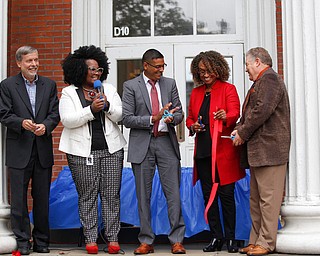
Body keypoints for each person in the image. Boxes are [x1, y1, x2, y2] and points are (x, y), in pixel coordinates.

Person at [59, 45, 126, 254]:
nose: (96, 73)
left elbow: (121, 116)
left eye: (98, 69)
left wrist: (107, 107)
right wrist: (90, 110)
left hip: (112, 150)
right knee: (87, 195)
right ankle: (90, 239)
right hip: (82, 153)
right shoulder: (69, 93)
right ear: (79, 69)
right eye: (91, 69)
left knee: (111, 195)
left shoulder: (109, 89)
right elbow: (67, 120)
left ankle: (113, 239)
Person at [122, 49, 186, 255]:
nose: (161, 70)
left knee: (173, 194)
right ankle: (146, 240)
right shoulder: (130, 86)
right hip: (143, 145)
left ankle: (176, 240)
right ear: (146, 66)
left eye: (163, 66)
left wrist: (171, 118)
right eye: (157, 66)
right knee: (143, 196)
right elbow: (127, 118)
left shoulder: (170, 83)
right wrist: (154, 118)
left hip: (166, 143)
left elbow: (179, 112)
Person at [0, 46, 60, 255]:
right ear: (19, 63)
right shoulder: (7, 86)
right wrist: (21, 122)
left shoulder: (49, 85)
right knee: (18, 200)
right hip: (19, 150)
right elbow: (4, 114)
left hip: (42, 148)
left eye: (36, 60)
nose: (34, 64)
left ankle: (42, 242)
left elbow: (54, 113)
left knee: (42, 198)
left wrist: (46, 126)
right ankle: (23, 242)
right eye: (29, 61)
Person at [232, 47, 290, 256]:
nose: (246, 70)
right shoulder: (261, 82)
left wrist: (242, 133)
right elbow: (251, 114)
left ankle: (266, 243)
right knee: (256, 201)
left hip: (270, 151)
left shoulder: (270, 80)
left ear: (257, 62)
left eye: (247, 65)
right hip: (260, 152)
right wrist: (238, 129)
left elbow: (260, 112)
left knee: (268, 201)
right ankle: (256, 240)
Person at [186, 50, 245, 253]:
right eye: (201, 71)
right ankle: (216, 237)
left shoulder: (228, 89)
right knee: (207, 197)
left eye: (209, 70)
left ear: (218, 69)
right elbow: (190, 118)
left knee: (226, 196)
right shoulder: (196, 93)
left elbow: (235, 112)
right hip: (203, 153)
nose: (205, 75)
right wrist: (193, 126)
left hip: (223, 154)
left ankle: (230, 238)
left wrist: (225, 115)